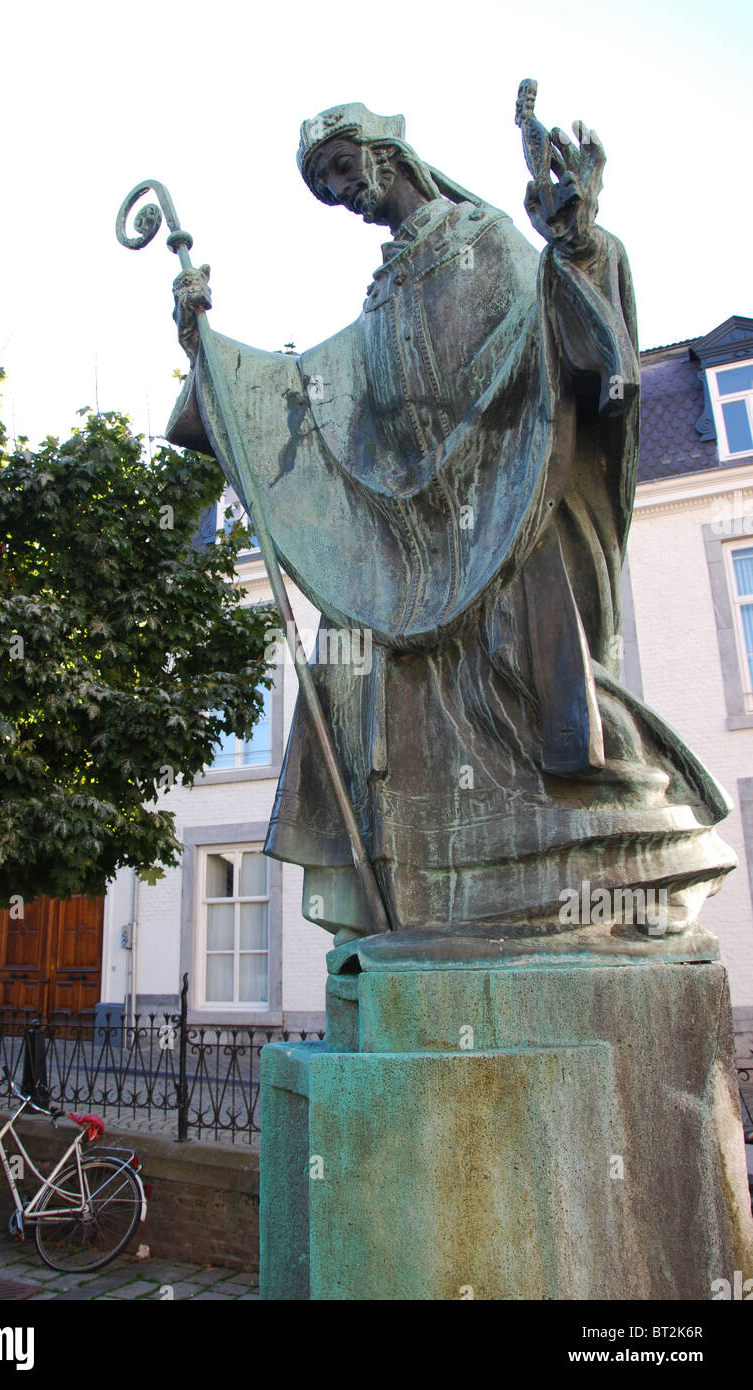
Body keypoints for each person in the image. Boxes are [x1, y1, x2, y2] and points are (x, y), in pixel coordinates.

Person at [166, 99, 735, 954]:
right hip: (410, 546)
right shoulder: (382, 295)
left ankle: (605, 872)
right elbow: (300, 408)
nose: (346, 195)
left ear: (389, 155)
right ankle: (426, 917)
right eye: (329, 187)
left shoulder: (483, 238)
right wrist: (204, 351)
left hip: (506, 506)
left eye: (346, 173)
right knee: (357, 674)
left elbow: (565, 328)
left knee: (542, 697)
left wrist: (578, 247)